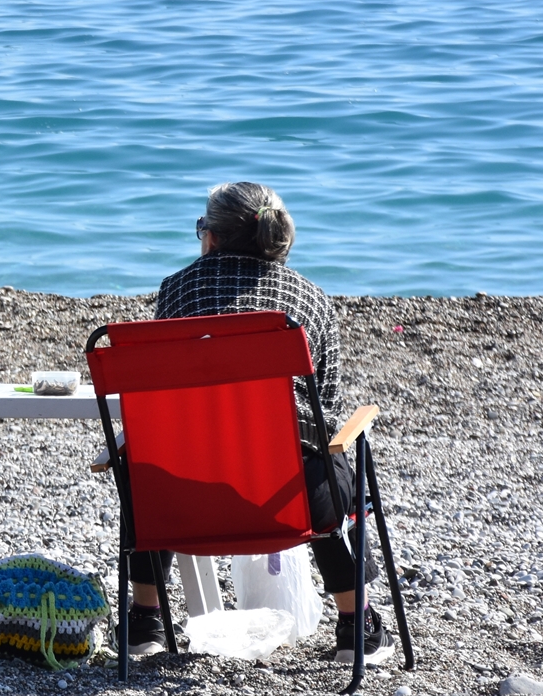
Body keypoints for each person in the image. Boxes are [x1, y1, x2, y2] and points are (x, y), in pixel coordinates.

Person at [124, 181, 394, 664]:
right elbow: (325, 405)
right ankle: (357, 628)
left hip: (183, 497)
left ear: (212, 236)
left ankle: (146, 622)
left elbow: (164, 395)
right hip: (289, 500)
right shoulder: (308, 298)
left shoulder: (176, 289)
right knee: (330, 465)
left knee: (142, 465)